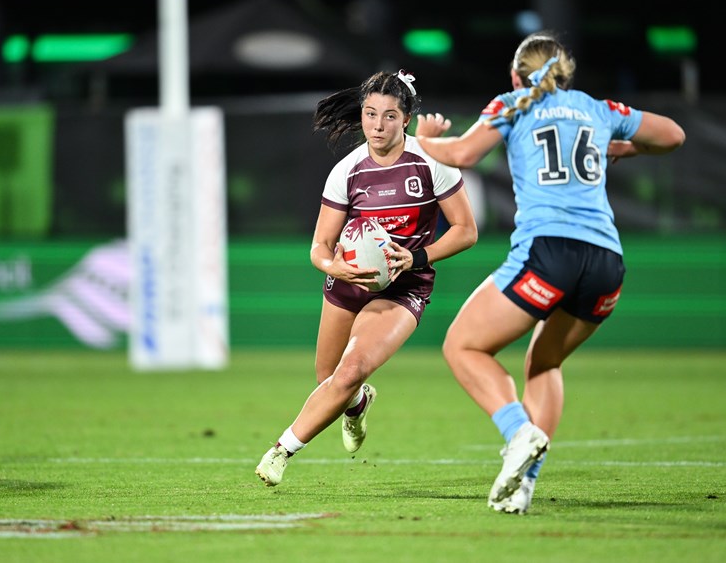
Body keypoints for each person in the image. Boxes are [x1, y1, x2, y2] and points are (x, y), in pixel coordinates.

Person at [415, 31, 685, 514]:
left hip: (550, 251)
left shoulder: (515, 103)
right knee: (545, 362)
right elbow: (672, 136)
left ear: (517, 74)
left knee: (463, 346)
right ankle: (523, 486)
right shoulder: (597, 109)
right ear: (565, 73)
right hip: (606, 263)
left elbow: (463, 155)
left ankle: (519, 433)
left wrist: (426, 140)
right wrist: (620, 148)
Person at [255, 70, 478, 487]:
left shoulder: (432, 161)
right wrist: (331, 266)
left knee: (350, 367)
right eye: (370, 114)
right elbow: (320, 245)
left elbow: (466, 230)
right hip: (347, 282)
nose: (378, 125)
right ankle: (357, 405)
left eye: (389, 116)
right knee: (330, 379)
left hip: (404, 286)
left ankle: (280, 451)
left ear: (407, 118)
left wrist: (415, 257)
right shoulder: (346, 171)